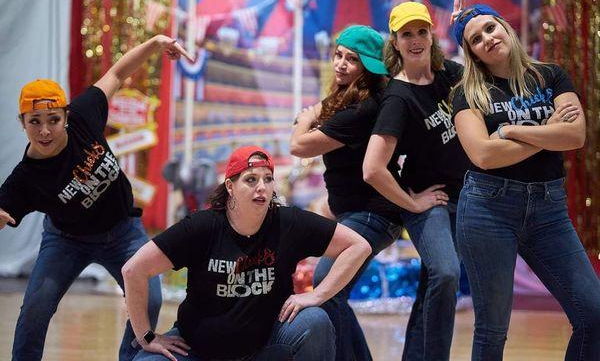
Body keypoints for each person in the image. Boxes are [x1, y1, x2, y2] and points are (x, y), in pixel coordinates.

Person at [0, 34, 194, 361]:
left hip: (123, 231)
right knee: (35, 309)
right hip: (67, 241)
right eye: (35, 122)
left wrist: (156, 43)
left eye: (53, 120)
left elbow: (118, 73)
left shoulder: (84, 114)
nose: (45, 131)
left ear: (65, 115)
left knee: (150, 299)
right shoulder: (26, 177)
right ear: (23, 124)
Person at [122, 145, 372, 361]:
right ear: (230, 186)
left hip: (265, 348)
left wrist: (318, 295)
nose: (261, 187)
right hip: (196, 350)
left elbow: (358, 246)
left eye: (268, 178)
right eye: (251, 179)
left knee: (315, 320)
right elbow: (134, 269)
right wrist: (146, 336)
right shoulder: (202, 226)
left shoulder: (290, 222)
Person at [451, 3, 600, 360]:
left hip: (548, 210)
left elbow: (576, 135)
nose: (487, 39)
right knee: (492, 330)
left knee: (593, 313)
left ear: (505, 26)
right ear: (471, 53)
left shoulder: (550, 75)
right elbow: (484, 155)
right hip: (488, 209)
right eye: (475, 39)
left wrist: (510, 130)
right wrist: (549, 129)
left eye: (490, 28)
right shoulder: (466, 93)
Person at [362, 1, 470, 361]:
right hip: (430, 201)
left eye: (421, 31)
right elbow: (372, 168)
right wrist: (413, 204)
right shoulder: (398, 97)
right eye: (406, 34)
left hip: (462, 196)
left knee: (432, 285)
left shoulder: (448, 75)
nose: (415, 40)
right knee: (446, 273)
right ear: (395, 42)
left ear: (431, 34)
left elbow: (486, 73)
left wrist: (465, 27)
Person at [290, 24, 402, 361]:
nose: (340, 63)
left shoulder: (361, 109)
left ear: (367, 68)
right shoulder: (345, 99)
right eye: (338, 55)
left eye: (351, 59)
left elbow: (298, 145)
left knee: (327, 286)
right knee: (330, 290)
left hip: (373, 214)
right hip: (355, 213)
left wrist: (306, 120)